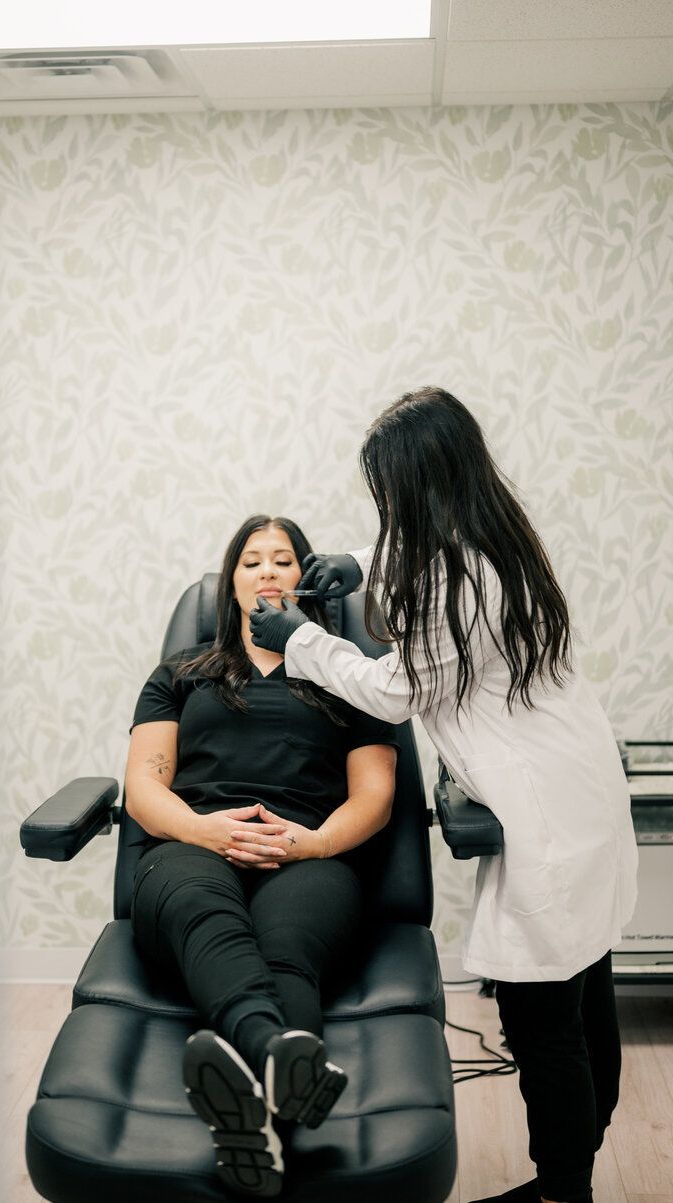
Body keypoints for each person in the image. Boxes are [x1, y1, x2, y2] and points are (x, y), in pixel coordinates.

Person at [250, 388, 638, 1203]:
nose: (383, 509)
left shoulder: (457, 575)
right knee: (584, 983)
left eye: (387, 495)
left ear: (418, 487)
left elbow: (393, 691)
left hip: (546, 811)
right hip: (583, 782)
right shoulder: (494, 533)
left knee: (543, 1022)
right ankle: (571, 1171)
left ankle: (563, 1190)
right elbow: (410, 561)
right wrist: (356, 560)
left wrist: (302, 641)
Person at [125, 514, 398, 1199]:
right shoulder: (180, 675)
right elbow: (143, 786)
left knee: (285, 948)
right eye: (252, 561)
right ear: (231, 582)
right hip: (190, 845)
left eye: (284, 559)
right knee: (201, 905)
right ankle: (280, 1058)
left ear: (308, 581)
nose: (269, 570)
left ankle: (257, 1114)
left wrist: (317, 842)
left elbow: (375, 794)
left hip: (308, 851)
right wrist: (203, 831)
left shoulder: (349, 677)